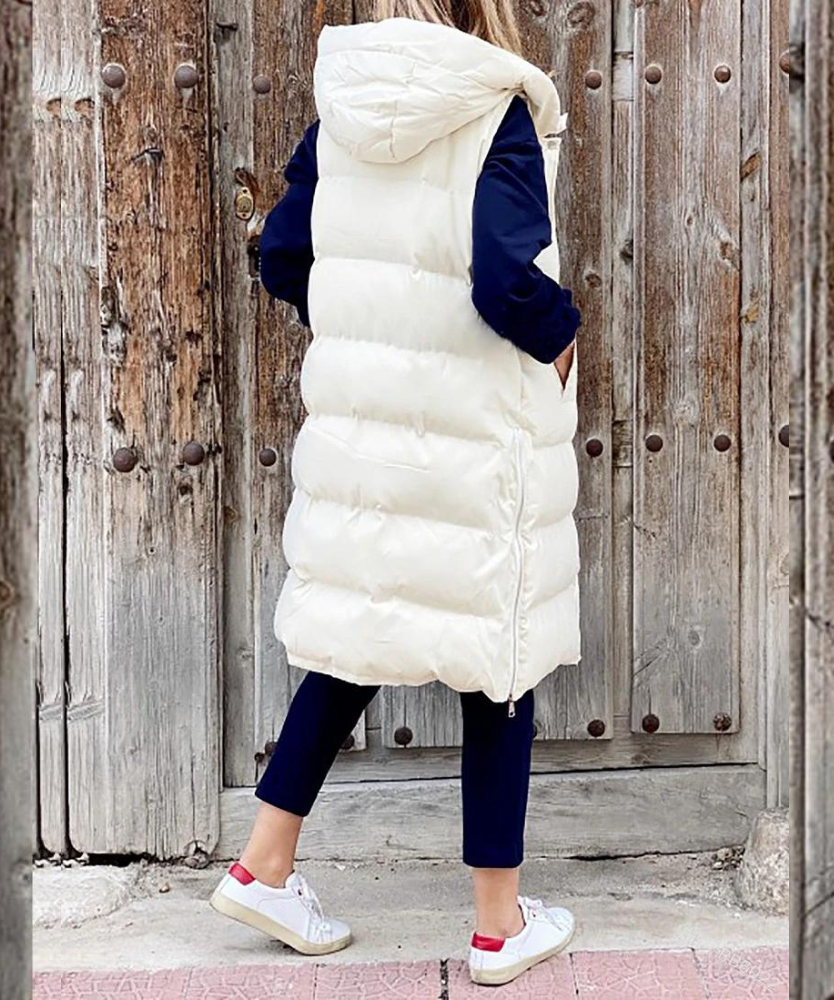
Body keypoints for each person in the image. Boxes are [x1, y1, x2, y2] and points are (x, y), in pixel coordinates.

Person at [211, 0, 582, 986]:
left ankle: (264, 863)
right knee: (497, 649)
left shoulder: (343, 111)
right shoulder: (495, 106)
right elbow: (506, 279)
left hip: (369, 429)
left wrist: (367, 331)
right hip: (475, 427)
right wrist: (561, 334)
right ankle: (499, 926)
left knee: (360, 630)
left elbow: (283, 256)